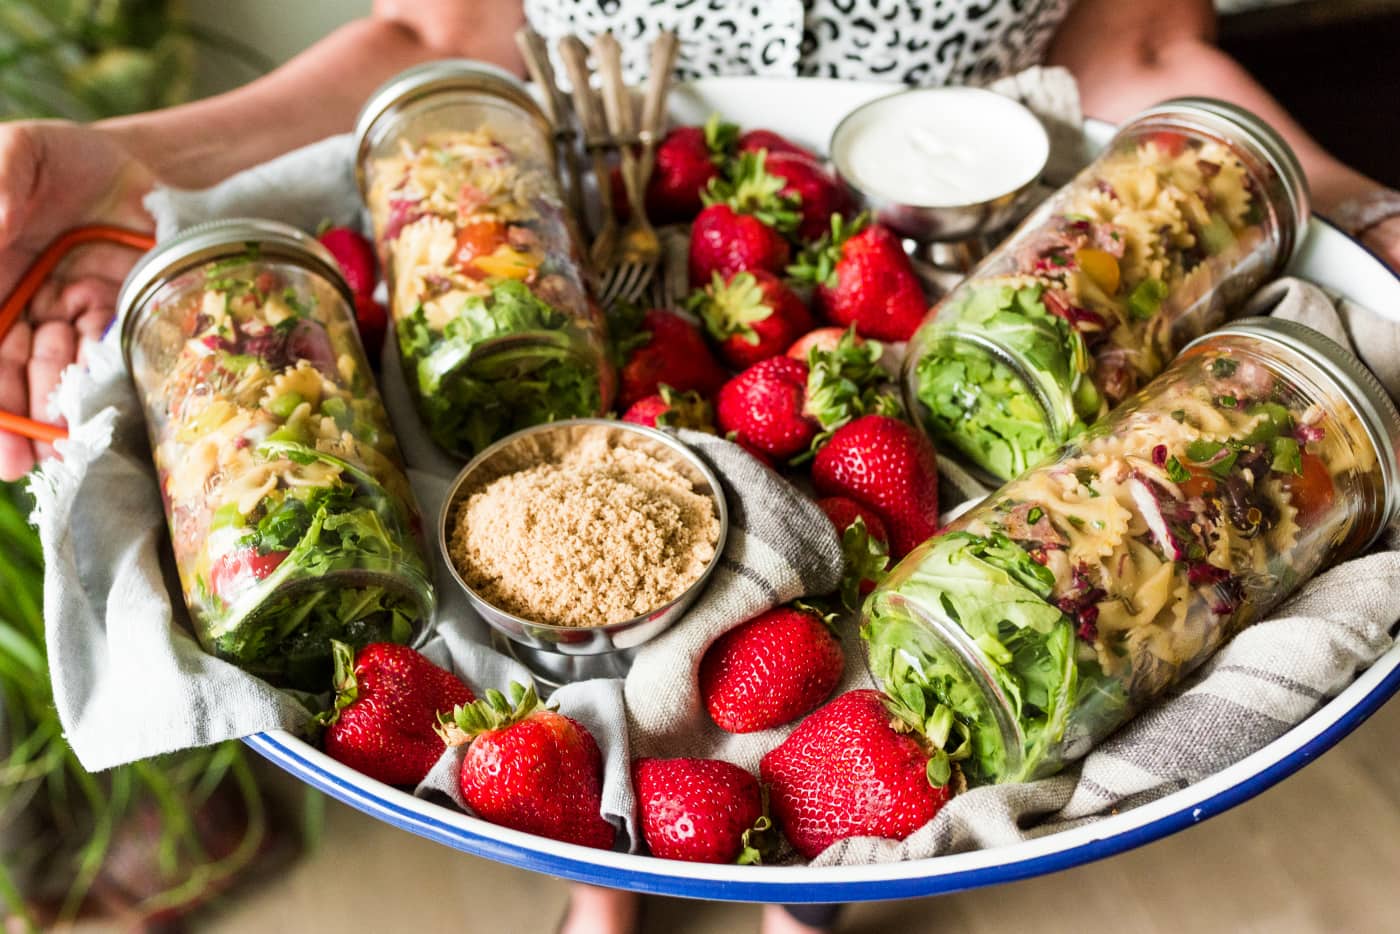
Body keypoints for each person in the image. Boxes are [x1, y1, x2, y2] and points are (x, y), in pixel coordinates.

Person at [0, 1, 1394, 930]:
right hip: (603, 236)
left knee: (955, 626)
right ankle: (608, 861)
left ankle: (806, 886)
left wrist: (1367, 212)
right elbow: (435, 32)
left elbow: (1142, 54)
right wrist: (127, 159)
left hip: (953, 246)